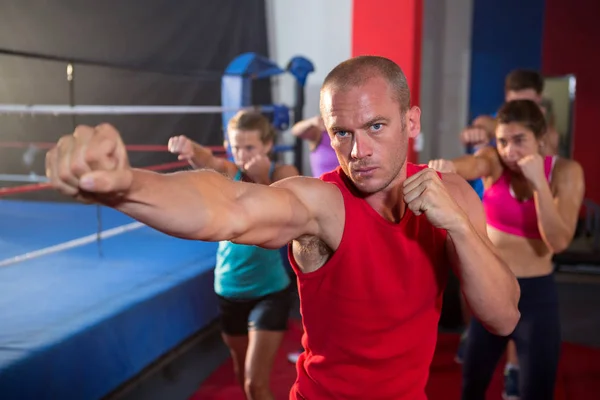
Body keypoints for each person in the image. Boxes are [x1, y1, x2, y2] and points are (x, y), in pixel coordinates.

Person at [45, 55, 520, 400]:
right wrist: (124, 186)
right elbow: (228, 205)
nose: (358, 152)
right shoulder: (322, 203)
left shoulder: (452, 195)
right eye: (342, 133)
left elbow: (502, 317)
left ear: (410, 121)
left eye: (376, 127)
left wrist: (458, 226)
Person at [429, 99, 585, 400]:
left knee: (535, 390)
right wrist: (449, 167)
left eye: (519, 141)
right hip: (493, 289)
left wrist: (539, 182)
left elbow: (558, 242)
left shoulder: (565, 172)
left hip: (537, 296)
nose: (509, 151)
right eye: (502, 141)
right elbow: (472, 164)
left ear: (540, 140)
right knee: (472, 382)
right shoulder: (495, 162)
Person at [167, 110, 298, 400]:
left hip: (270, 291)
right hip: (229, 288)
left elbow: (286, 215)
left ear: (267, 145)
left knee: (255, 382)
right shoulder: (230, 173)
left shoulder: (282, 173)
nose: (241, 154)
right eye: (235, 146)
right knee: (242, 377)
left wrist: (262, 178)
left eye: (249, 147)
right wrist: (191, 150)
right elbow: (208, 162)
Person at [455, 69, 561, 399]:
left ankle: (514, 367)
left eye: (528, 102)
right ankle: (468, 329)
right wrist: (468, 139)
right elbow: (476, 132)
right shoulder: (494, 124)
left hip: (534, 275)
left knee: (533, 380)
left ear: (539, 100)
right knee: (472, 377)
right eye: (516, 101)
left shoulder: (549, 136)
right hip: (491, 224)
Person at [286, 114, 341, 364]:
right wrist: (314, 122)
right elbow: (297, 130)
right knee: (315, 288)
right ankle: (312, 348)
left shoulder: (348, 137)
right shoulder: (319, 135)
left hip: (345, 213)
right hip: (319, 216)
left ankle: (338, 347)